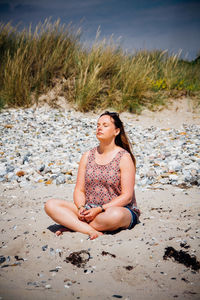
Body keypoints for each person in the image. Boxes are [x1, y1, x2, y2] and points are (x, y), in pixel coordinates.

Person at [44, 111, 140, 240]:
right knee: (50, 204)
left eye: (105, 125)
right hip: (90, 209)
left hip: (117, 210)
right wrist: (80, 208)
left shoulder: (124, 157)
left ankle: (75, 225)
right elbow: (79, 189)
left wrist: (100, 209)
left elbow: (127, 197)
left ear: (116, 131)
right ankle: (88, 229)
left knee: (114, 215)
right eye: (98, 125)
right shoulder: (87, 156)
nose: (99, 128)